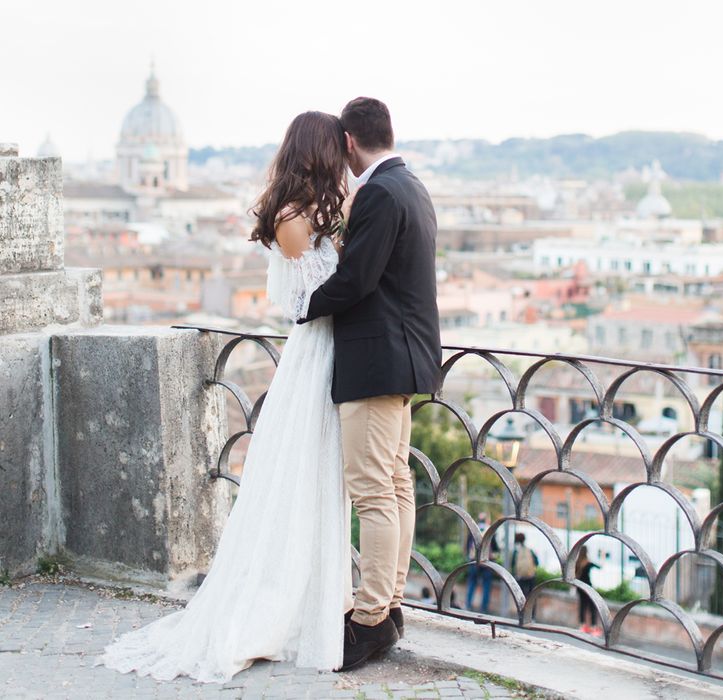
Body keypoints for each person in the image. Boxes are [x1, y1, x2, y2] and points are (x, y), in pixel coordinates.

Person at [96, 111, 352, 682]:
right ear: (320, 151)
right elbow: (314, 296)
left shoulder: (311, 212)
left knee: (317, 476)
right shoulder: (291, 215)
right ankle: (280, 608)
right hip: (314, 352)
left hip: (326, 352)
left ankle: (314, 597)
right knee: (299, 474)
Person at [298, 97, 442, 670]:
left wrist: (303, 303)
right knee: (395, 485)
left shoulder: (380, 192)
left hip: (377, 360)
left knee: (374, 492)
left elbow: (357, 278)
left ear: (351, 143)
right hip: (403, 359)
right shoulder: (412, 186)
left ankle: (369, 620)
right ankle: (390, 604)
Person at [465, 512, 499, 613]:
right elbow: (495, 548)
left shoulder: (473, 529)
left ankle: (468, 604)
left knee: (472, 583)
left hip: (473, 561)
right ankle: (484, 608)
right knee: (486, 585)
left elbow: (468, 546)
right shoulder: (490, 530)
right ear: (487, 520)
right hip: (486, 562)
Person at [575, 546, 601, 637]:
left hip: (579, 588)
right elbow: (599, 567)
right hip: (587, 588)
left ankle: (582, 626)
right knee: (592, 607)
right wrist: (602, 556)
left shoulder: (577, 563)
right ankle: (593, 627)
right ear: (587, 552)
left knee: (582, 606)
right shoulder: (588, 563)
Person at [511, 532, 539, 598]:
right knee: (531, 596)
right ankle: (532, 608)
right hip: (531, 576)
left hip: (520, 577)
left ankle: (522, 608)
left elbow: (512, 565)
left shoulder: (516, 551)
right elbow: (537, 562)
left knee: (520, 596)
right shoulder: (530, 550)